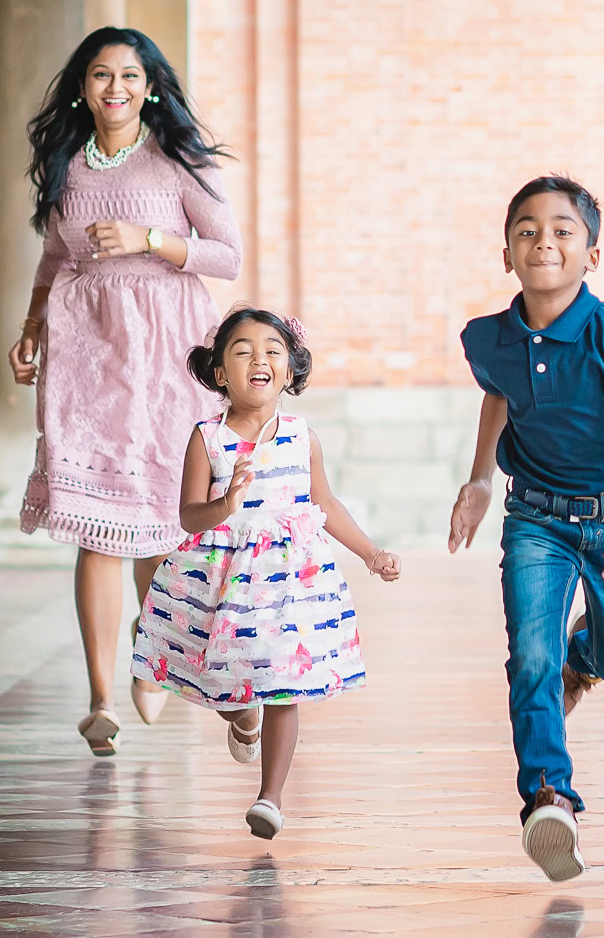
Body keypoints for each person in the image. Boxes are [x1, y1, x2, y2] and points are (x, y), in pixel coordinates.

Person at [8, 27, 243, 757]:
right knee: (95, 523)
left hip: (167, 352)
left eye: (130, 76)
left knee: (162, 518)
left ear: (150, 88)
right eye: (101, 75)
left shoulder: (179, 159)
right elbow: (54, 256)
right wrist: (31, 328)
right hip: (87, 353)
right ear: (83, 87)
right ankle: (100, 699)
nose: (115, 88)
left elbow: (227, 256)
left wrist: (149, 240)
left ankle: (158, 646)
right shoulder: (67, 162)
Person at [447, 177, 604, 883]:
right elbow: (500, 394)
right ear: (506, 254)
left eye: (562, 230)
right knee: (531, 655)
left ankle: (587, 657)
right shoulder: (485, 338)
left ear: (592, 254)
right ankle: (549, 797)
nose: (543, 242)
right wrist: (480, 480)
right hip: (536, 519)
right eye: (526, 230)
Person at [133, 307, 400, 839]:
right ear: (220, 373)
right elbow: (188, 515)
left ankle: (270, 798)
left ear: (289, 369)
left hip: (290, 581)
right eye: (243, 351)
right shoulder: (207, 438)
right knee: (218, 676)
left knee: (284, 682)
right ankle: (241, 716)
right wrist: (225, 504)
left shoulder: (302, 437)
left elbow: (325, 503)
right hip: (222, 577)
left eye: (272, 351)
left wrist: (370, 553)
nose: (259, 359)